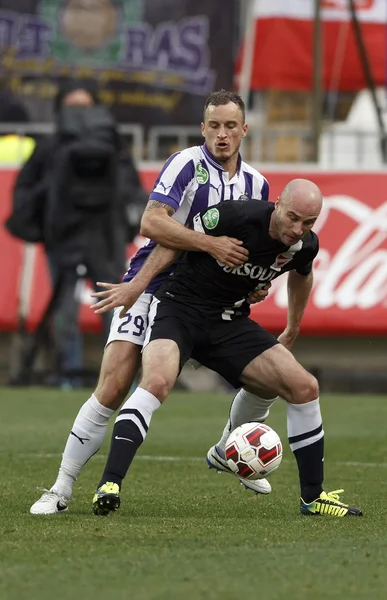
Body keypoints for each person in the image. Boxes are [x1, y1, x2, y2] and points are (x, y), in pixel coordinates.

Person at [30, 89, 271, 515]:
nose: (221, 134)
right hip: (155, 284)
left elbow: (250, 249)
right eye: (213, 125)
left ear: (244, 130)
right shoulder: (185, 164)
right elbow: (152, 222)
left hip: (207, 298)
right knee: (113, 385)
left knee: (261, 376)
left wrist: (256, 283)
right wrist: (205, 247)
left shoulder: (257, 184)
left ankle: (228, 450)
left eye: (230, 126)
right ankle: (60, 488)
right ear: (202, 128)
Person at [91, 179, 363, 517]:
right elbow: (172, 241)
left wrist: (292, 327)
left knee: (304, 387)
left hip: (228, 321)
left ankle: (313, 498)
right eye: (293, 217)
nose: (298, 229)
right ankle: (110, 484)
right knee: (157, 383)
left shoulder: (305, 245)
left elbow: (302, 274)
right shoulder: (236, 214)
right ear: (277, 204)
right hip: (179, 309)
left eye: (308, 222)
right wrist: (138, 286)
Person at [8, 79, 145, 388]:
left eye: (84, 107)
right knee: (64, 313)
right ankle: (66, 375)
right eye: (72, 107)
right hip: (64, 238)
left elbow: (132, 193)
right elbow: (26, 193)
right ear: (60, 109)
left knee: (114, 309)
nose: (79, 115)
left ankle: (124, 378)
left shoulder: (113, 147)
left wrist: (125, 229)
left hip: (105, 239)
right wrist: (45, 220)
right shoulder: (49, 147)